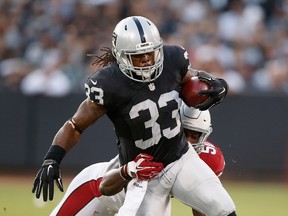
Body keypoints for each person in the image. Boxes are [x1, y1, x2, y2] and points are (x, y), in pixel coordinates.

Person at [32, 16, 236, 216]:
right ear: (121, 55)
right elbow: (76, 125)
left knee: (224, 208)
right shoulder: (109, 84)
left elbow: (191, 75)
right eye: (138, 56)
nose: (147, 60)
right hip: (137, 175)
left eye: (151, 53)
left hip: (178, 158)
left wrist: (216, 83)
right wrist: (52, 159)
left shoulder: (173, 59)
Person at [50, 104, 226, 216]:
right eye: (182, 132)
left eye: (194, 136)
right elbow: (107, 185)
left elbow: (203, 206)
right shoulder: (150, 140)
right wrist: (129, 170)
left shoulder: (209, 160)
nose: (187, 142)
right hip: (98, 193)